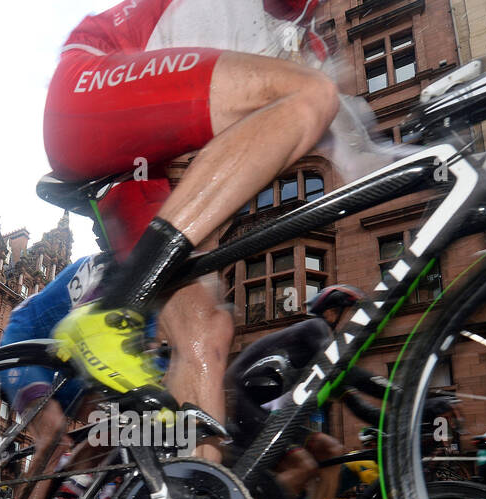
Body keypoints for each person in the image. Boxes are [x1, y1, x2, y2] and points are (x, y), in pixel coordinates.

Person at [46, 0, 339, 421]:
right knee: (311, 93)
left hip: (146, 173)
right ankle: (115, 307)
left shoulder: (309, 42)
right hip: (92, 85)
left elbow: (357, 147)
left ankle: (193, 482)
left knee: (206, 333)